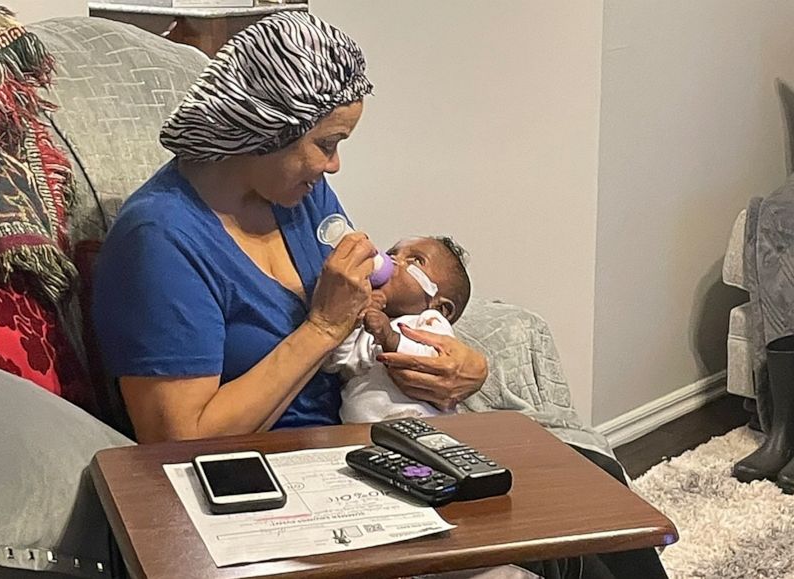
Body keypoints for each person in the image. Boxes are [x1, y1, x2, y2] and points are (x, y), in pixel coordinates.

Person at [92, 12, 667, 579]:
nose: (335, 165)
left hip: (366, 442)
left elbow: (376, 306)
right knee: (564, 549)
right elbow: (177, 441)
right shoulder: (161, 240)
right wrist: (320, 330)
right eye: (327, 144)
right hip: (286, 481)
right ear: (268, 128)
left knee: (590, 482)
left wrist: (465, 364)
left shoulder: (301, 198)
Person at [326, 236, 473, 423]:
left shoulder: (430, 320)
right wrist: (352, 318)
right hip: (360, 432)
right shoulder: (368, 322)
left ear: (440, 306)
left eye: (416, 260)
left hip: (423, 424)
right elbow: (338, 363)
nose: (395, 261)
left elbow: (433, 361)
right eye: (392, 254)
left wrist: (390, 338)